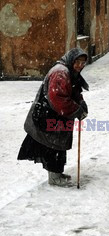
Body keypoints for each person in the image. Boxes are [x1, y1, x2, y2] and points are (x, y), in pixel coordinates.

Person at [17, 48, 89, 186]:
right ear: (71, 60)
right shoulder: (60, 72)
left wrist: (81, 103)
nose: (80, 65)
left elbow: (73, 90)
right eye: (77, 62)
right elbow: (58, 98)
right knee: (52, 145)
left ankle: (57, 173)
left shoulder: (68, 71)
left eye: (83, 63)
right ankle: (54, 177)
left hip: (55, 116)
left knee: (57, 144)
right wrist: (76, 110)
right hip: (49, 116)